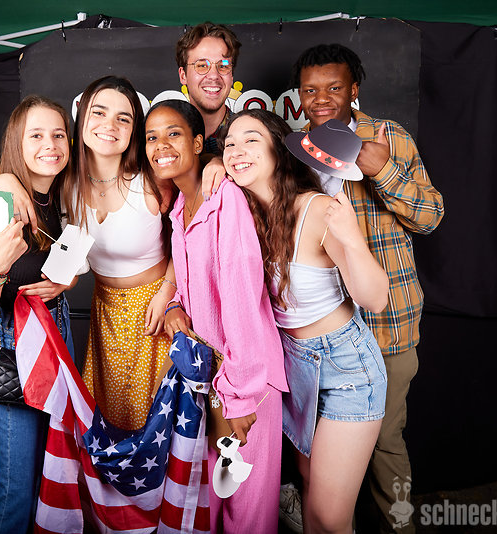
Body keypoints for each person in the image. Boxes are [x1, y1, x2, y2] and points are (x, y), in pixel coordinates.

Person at [292, 44, 445, 533]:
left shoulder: (388, 137)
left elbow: (430, 217)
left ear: (354, 89)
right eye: (310, 90)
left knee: (383, 444)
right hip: (322, 333)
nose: (320, 99)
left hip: (385, 325)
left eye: (334, 88)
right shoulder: (297, 151)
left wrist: (383, 171)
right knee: (321, 453)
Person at [223, 109, 389, 534]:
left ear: (279, 152)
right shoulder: (244, 213)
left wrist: (351, 239)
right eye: (229, 144)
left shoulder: (316, 209)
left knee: (328, 517)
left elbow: (376, 298)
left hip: (347, 368)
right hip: (295, 366)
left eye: (251, 140)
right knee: (311, 491)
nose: (237, 151)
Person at [148, 100, 286, 534]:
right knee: (213, 505)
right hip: (211, 383)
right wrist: (174, 306)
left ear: (197, 143)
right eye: (152, 137)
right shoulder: (178, 209)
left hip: (247, 383)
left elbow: (243, 299)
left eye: (173, 134)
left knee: (248, 516)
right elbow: (191, 285)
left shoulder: (226, 199)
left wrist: (240, 397)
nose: (161, 145)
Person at [0, 95, 76, 534]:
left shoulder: (63, 195)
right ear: (17, 142)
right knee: (17, 489)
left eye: (58, 135)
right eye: (36, 135)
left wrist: (66, 280)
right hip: (15, 352)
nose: (50, 145)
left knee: (56, 474)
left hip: (59, 339)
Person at [64, 76, 176, 431]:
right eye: (99, 112)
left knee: (158, 425)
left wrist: (168, 292)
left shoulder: (154, 179)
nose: (109, 125)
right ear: (82, 117)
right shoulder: (65, 183)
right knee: (110, 422)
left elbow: (190, 241)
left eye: (123, 118)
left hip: (156, 310)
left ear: (134, 130)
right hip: (105, 313)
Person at [176, 22, 241, 155]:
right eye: (202, 66)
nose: (213, 76)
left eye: (223, 66)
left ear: (232, 76)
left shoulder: (250, 135)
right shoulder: (166, 139)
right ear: (183, 76)